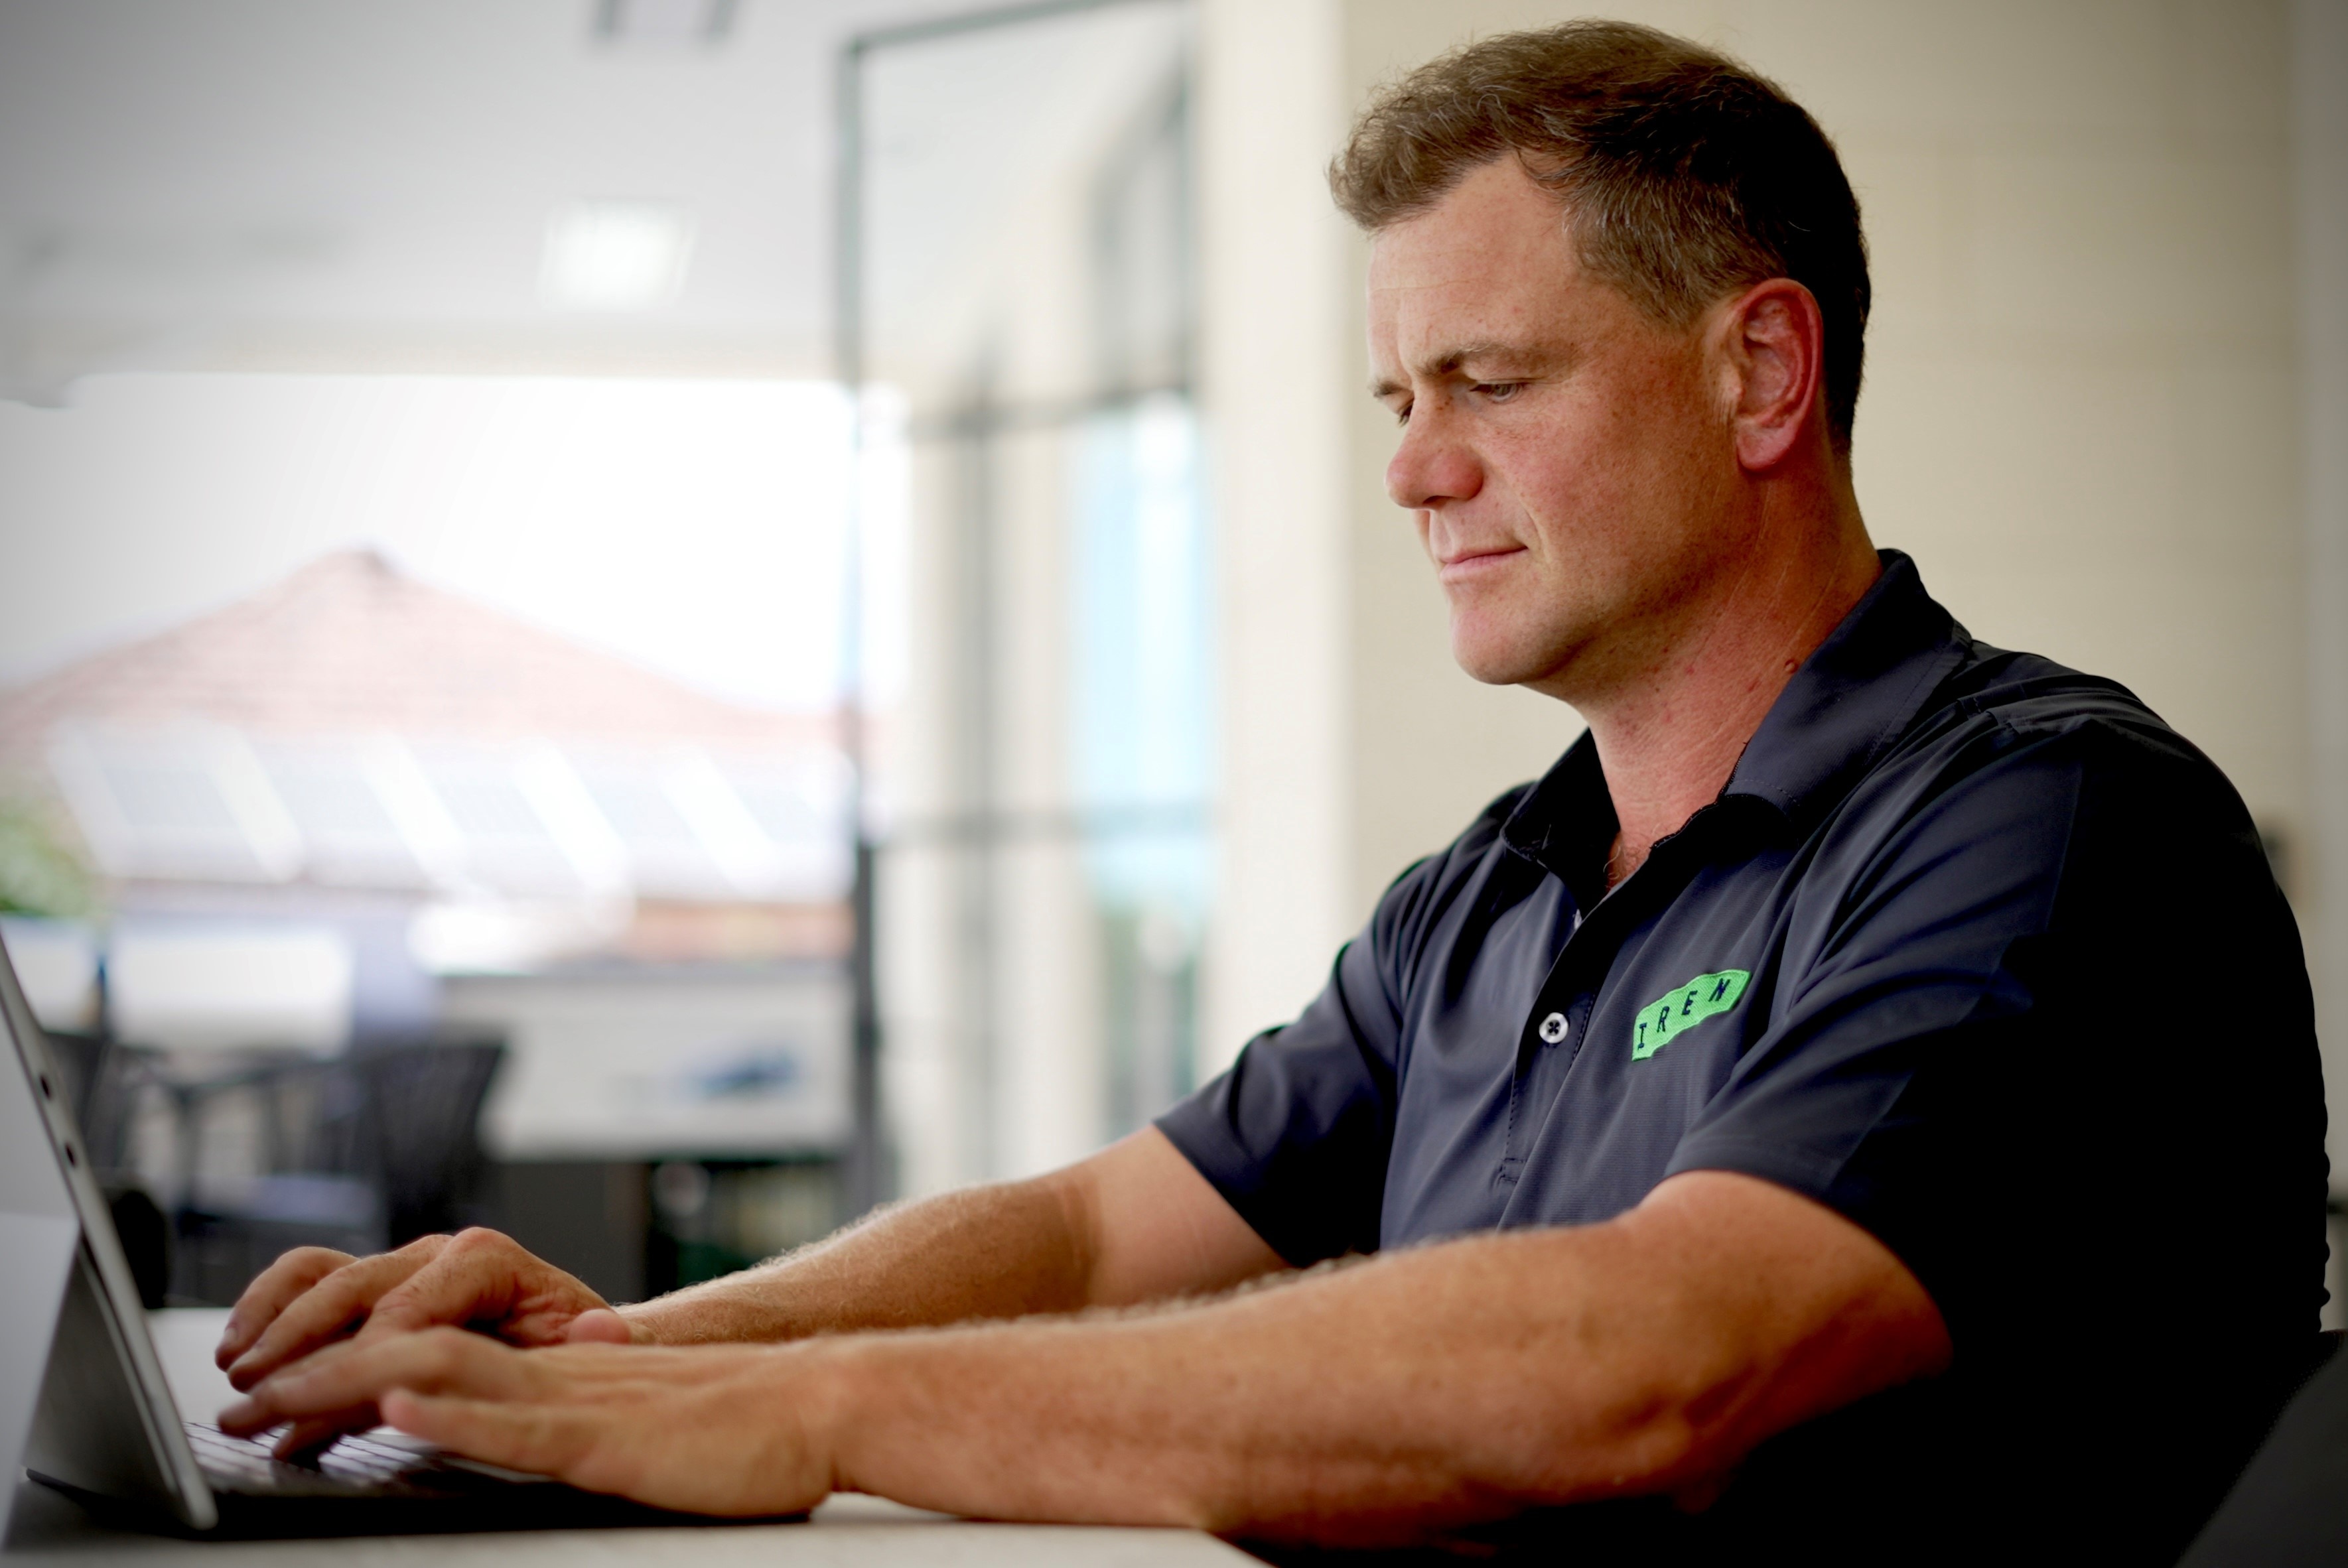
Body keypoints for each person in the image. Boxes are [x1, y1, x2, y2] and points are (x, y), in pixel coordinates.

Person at [215, 21, 2327, 1561]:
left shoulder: (2044, 826)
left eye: (1488, 384)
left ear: (1757, 374)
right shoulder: (1485, 897)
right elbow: (1085, 1226)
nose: (1411, 466)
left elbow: (1646, 1357)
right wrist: (635, 1351)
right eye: (1398, 398)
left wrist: (817, 1410)